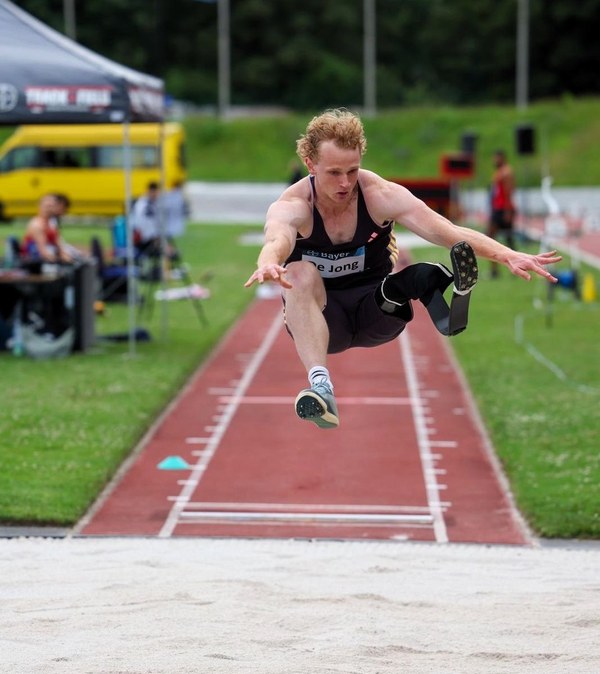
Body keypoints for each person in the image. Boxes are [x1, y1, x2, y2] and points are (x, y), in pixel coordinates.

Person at [244, 108, 561, 430]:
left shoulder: (380, 195)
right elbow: (277, 237)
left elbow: (446, 231)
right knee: (298, 272)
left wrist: (507, 254)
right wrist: (267, 262)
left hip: (377, 310)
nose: (345, 183)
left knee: (417, 274)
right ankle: (321, 387)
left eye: (352, 171)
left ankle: (435, 293)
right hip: (325, 323)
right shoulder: (294, 204)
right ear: (310, 165)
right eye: (334, 172)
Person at [20, 193, 74, 264]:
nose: (50, 208)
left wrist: (67, 256)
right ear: (40, 206)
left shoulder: (51, 224)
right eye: (48, 206)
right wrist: (62, 259)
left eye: (53, 205)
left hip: (48, 258)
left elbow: (59, 246)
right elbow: (44, 253)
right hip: (35, 262)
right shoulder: (36, 225)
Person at [487, 149, 516, 278]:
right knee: (497, 239)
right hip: (497, 209)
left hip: (503, 210)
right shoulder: (499, 172)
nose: (494, 161)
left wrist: (508, 211)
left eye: (496, 158)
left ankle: (516, 267)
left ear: (502, 158)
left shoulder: (506, 172)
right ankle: (496, 270)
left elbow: (509, 192)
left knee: (493, 238)